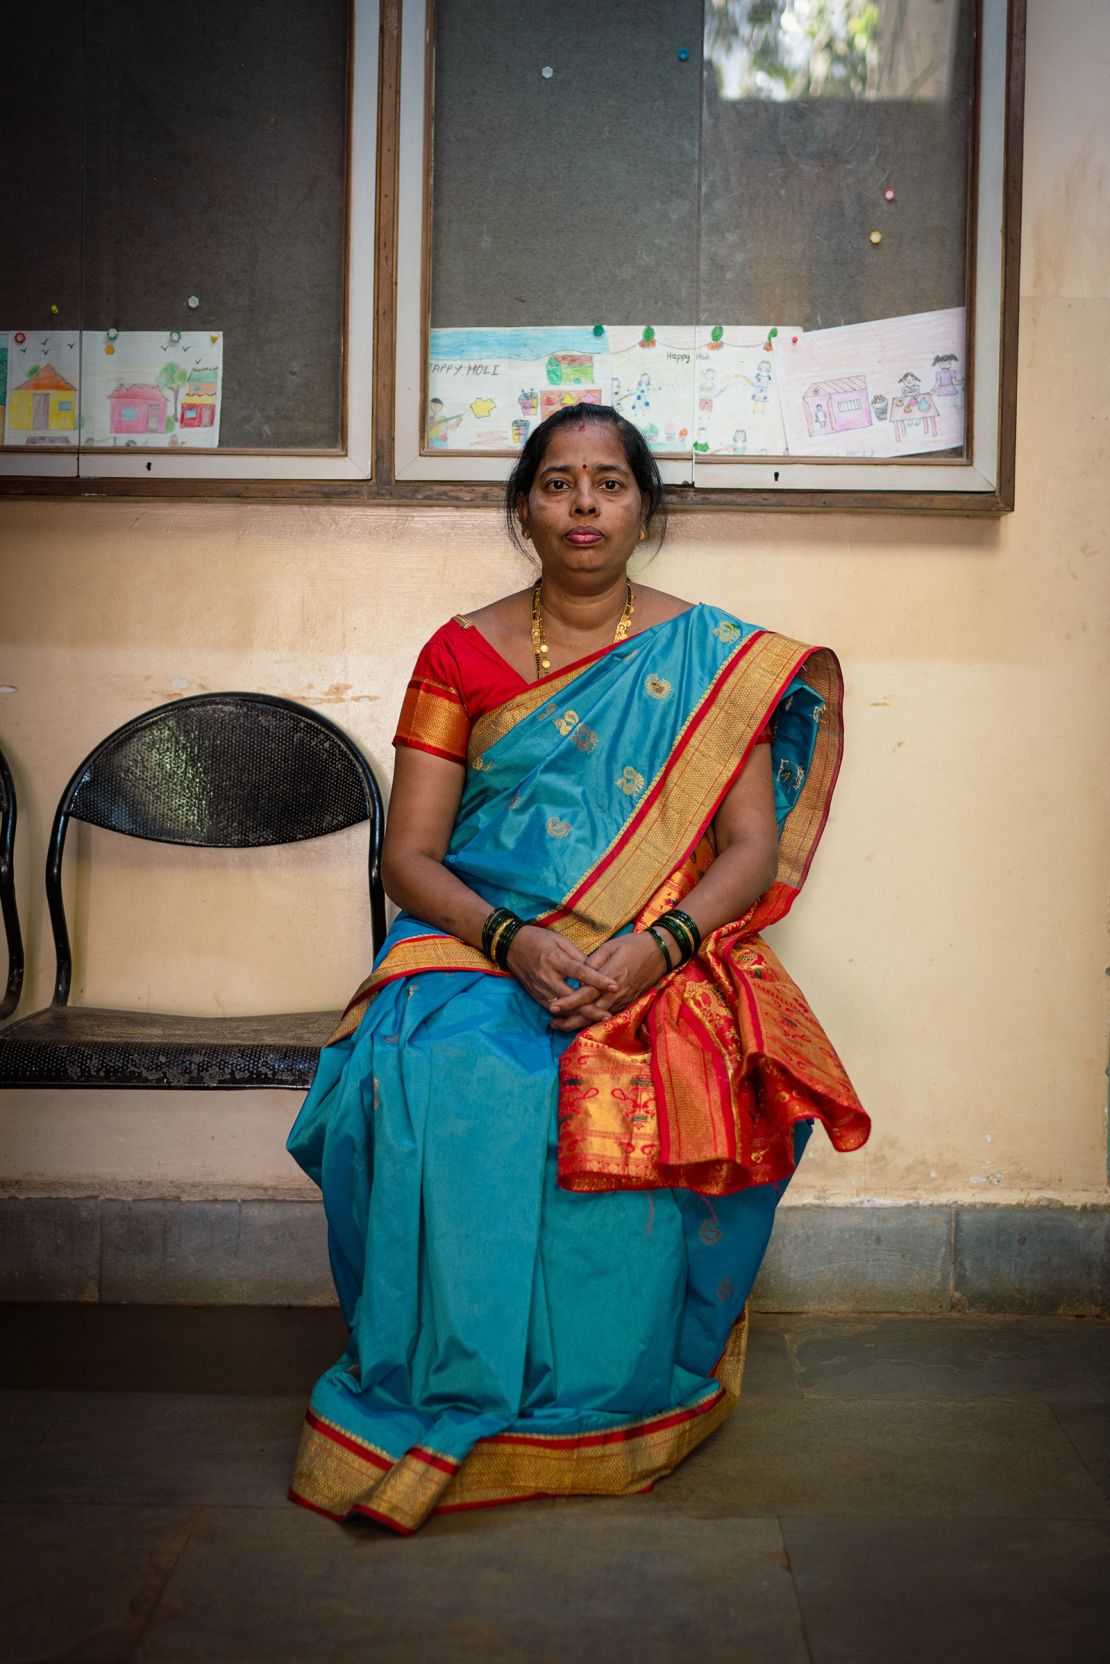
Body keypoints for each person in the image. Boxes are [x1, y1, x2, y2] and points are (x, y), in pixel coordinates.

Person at [287, 401, 870, 1534]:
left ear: (643, 506)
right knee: (444, 1074)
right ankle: (451, 1373)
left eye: (609, 481)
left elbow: (747, 848)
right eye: (559, 482)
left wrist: (656, 946)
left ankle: (606, 1395)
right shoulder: (459, 652)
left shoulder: (712, 658)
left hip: (661, 940)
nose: (585, 503)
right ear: (524, 507)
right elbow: (411, 856)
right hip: (479, 937)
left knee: (661, 1063)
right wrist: (516, 940)